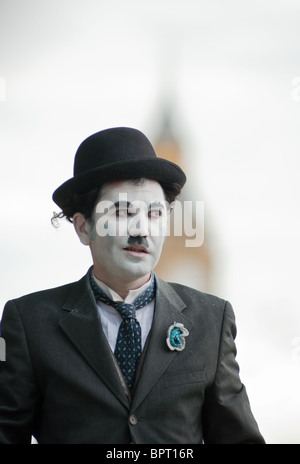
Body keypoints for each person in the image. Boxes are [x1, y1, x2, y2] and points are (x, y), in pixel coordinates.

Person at [0, 127, 265, 444]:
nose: (142, 229)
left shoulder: (210, 319)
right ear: (84, 228)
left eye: (155, 214)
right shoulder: (29, 323)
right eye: (124, 212)